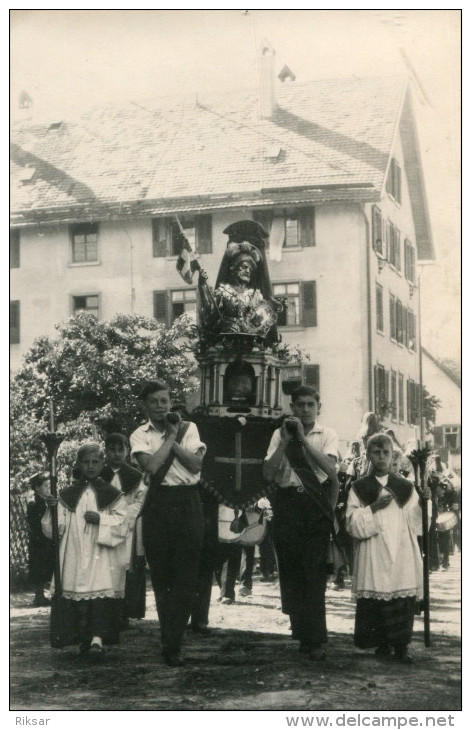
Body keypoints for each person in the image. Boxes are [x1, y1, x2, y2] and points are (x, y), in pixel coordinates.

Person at [130, 380, 206, 667]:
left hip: (189, 503)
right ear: (145, 406)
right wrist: (172, 438)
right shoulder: (139, 434)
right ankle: (169, 640)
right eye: (155, 402)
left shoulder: (190, 429)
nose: (161, 406)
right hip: (158, 506)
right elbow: (151, 466)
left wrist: (173, 436)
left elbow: (195, 465)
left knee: (186, 578)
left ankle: (174, 641)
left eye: (165, 400)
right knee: (162, 578)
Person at [263, 385, 339, 660]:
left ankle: (316, 637)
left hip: (314, 505)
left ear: (318, 407)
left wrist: (304, 443)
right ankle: (302, 633)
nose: (305, 410)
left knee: (314, 573)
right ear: (292, 407)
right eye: (300, 405)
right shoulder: (278, 434)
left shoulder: (327, 434)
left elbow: (330, 470)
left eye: (310, 405)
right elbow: (269, 474)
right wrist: (284, 441)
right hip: (286, 505)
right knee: (292, 570)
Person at [346, 433, 430, 664]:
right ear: (369, 455)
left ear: (393, 454)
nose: (382, 456)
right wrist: (372, 507)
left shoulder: (405, 487)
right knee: (377, 596)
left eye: (386, 452)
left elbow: (418, 522)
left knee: (401, 597)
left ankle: (401, 647)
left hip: (401, 548)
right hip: (373, 549)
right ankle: (381, 644)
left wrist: (425, 503)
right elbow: (351, 522)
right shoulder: (359, 488)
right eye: (377, 452)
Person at [42, 443, 128, 660]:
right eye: (86, 462)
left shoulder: (112, 494)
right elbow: (55, 529)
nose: (90, 466)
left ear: (102, 464)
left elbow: (123, 523)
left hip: (101, 551)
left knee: (99, 593)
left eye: (95, 462)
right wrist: (52, 508)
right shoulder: (68, 495)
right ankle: (83, 637)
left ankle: (97, 640)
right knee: (77, 593)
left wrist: (101, 518)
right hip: (74, 550)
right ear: (78, 464)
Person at [102, 433, 148, 624]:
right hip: (104, 525)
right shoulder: (99, 474)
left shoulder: (136, 476)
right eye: (112, 450)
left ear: (128, 451)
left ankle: (124, 613)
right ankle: (104, 611)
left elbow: (141, 499)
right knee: (105, 568)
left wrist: (124, 513)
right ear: (105, 452)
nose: (117, 454)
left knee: (124, 568)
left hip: (128, 528)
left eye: (121, 449)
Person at [26, 472, 55, 607]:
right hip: (38, 541)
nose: (47, 489)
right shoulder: (33, 503)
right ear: (37, 487)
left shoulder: (44, 501)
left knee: (45, 566)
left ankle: (42, 596)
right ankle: (38, 596)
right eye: (45, 486)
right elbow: (35, 523)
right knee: (38, 567)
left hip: (45, 540)